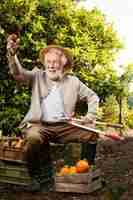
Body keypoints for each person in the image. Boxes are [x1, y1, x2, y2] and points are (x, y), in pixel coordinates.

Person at [6, 34, 99, 192]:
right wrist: (12, 55)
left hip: (65, 126)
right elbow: (18, 73)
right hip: (40, 125)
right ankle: (36, 178)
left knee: (91, 134)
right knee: (33, 137)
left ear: (63, 63)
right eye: (48, 62)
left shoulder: (73, 81)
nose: (51, 65)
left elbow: (92, 97)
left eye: (55, 62)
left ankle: (84, 173)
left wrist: (89, 117)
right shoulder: (37, 76)